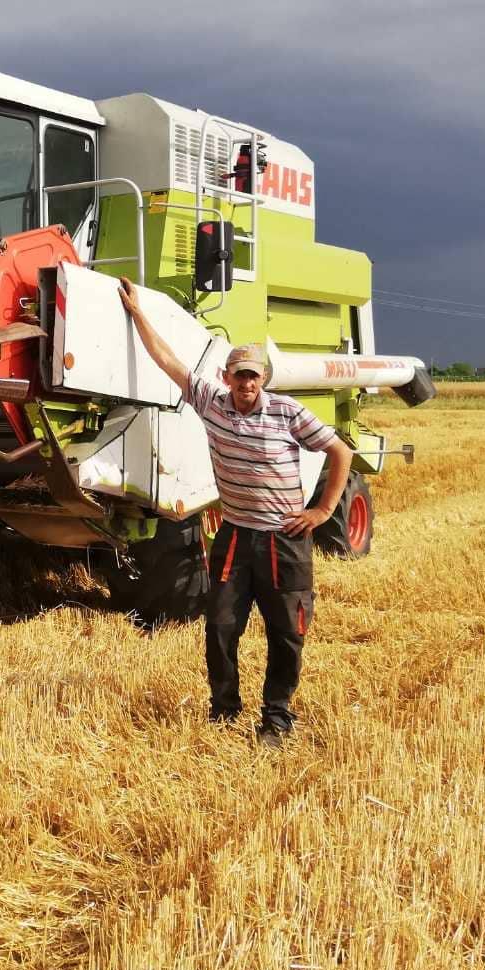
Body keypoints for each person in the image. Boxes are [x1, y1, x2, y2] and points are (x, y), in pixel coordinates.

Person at [117, 278, 352, 748]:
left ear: (263, 379)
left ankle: (277, 716)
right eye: (238, 374)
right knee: (221, 625)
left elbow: (340, 451)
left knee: (287, 631)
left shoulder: (288, 413)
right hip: (235, 537)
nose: (245, 383)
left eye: (253, 375)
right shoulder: (211, 404)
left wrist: (324, 509)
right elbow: (168, 361)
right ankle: (224, 709)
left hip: (284, 542)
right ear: (226, 377)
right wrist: (137, 311)